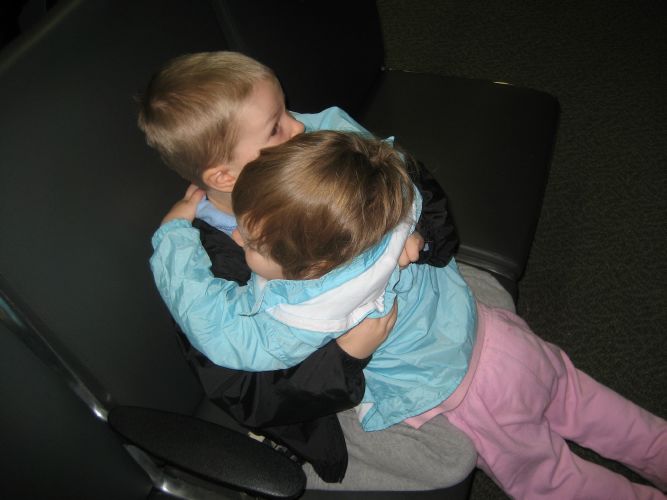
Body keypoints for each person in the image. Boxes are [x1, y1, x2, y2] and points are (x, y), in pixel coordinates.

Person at [152, 130, 667, 499]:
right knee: (589, 404)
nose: (237, 237)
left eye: (251, 240)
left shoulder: (310, 307)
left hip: (469, 396)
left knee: (555, 481)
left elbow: (222, 331)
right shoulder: (392, 212)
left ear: (311, 268)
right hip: (502, 339)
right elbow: (370, 158)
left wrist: (174, 235)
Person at [138, 50, 496, 488]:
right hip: (326, 377)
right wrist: (345, 357)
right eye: (276, 126)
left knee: (487, 300)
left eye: (285, 109)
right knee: (451, 459)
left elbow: (402, 173)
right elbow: (247, 389)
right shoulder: (207, 265)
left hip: (403, 312)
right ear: (224, 177)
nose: (299, 127)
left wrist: (420, 235)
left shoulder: (310, 136)